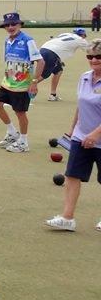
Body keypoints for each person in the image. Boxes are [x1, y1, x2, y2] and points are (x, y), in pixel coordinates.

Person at [45, 38, 101, 231]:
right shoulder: (85, 77)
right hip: (81, 136)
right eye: (90, 57)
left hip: (97, 138)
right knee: (72, 176)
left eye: (98, 57)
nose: (94, 60)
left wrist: (95, 134)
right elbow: (81, 105)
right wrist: (73, 129)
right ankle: (67, 218)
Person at [0, 12, 43, 153]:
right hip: (7, 82)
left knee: (20, 112)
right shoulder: (7, 41)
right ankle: (12, 132)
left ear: (20, 24)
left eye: (13, 24)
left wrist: (34, 82)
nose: (10, 27)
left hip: (22, 85)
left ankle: (23, 142)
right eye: (7, 25)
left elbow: (41, 61)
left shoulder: (27, 40)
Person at [37, 28, 90, 102]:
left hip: (43, 49)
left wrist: (59, 60)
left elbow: (61, 45)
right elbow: (91, 50)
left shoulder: (66, 34)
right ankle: (24, 89)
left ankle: (53, 95)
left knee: (58, 71)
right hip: (52, 53)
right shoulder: (80, 39)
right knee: (44, 75)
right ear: (83, 35)